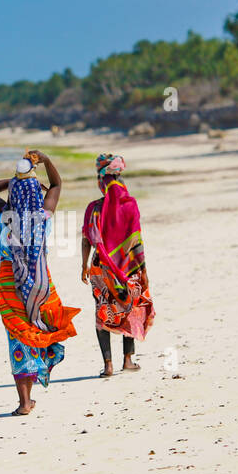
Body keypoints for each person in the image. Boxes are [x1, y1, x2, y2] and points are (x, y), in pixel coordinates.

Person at [0, 150, 80, 416]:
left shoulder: (4, 214)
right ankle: (35, 383)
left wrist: (16, 179)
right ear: (36, 191)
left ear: (14, 191)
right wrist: (45, 162)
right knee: (38, 330)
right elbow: (57, 185)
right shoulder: (43, 216)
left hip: (8, 283)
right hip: (40, 283)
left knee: (17, 337)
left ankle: (24, 403)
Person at [80, 154, 155, 377]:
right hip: (129, 267)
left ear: (101, 182)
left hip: (101, 268)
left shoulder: (93, 208)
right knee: (129, 308)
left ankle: (108, 365)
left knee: (103, 312)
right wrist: (143, 270)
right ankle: (128, 360)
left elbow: (86, 239)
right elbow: (137, 241)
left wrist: (83, 264)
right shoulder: (130, 206)